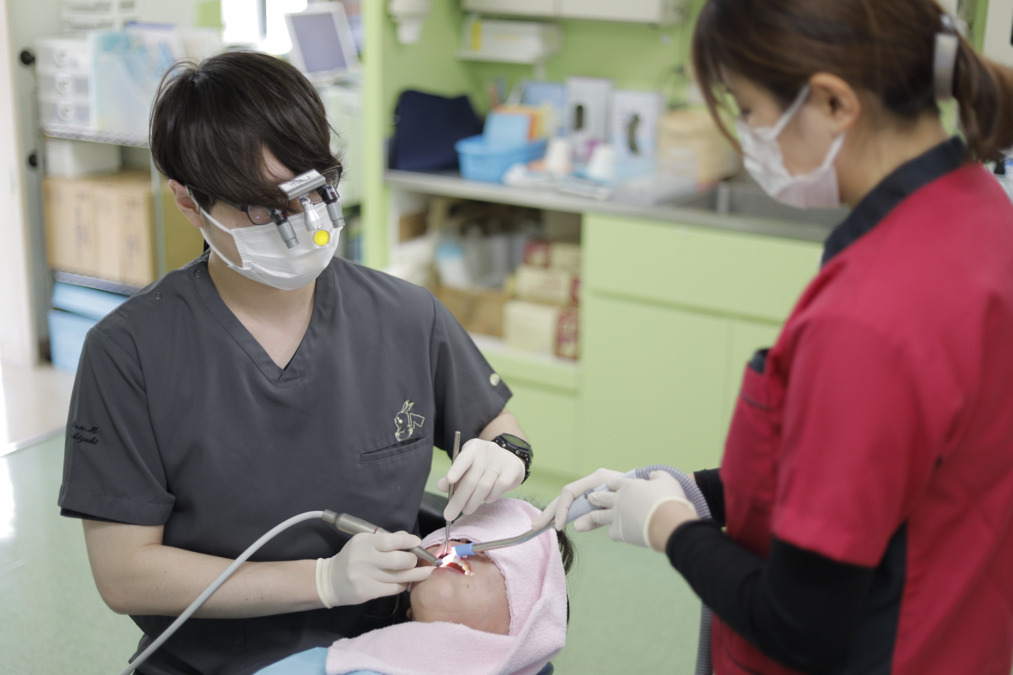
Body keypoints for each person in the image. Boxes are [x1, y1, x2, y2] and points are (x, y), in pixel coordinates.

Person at [534, 2, 1013, 674]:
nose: (747, 138)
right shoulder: (980, 212)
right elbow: (872, 471)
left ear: (832, 101)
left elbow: (797, 624)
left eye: (750, 111)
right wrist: (701, 489)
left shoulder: (870, 315)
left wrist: (669, 526)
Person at [57, 51, 536, 675]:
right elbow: (125, 575)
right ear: (187, 201)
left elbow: (499, 424)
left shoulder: (404, 316)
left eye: (316, 191)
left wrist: (508, 455)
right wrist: (321, 581)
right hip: (213, 661)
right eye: (262, 208)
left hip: (385, 652)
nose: (305, 225)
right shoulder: (130, 353)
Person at [257, 498, 573, 675]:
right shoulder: (340, 661)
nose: (458, 546)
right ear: (410, 610)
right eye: (454, 536)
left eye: (484, 549)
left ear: (527, 627)